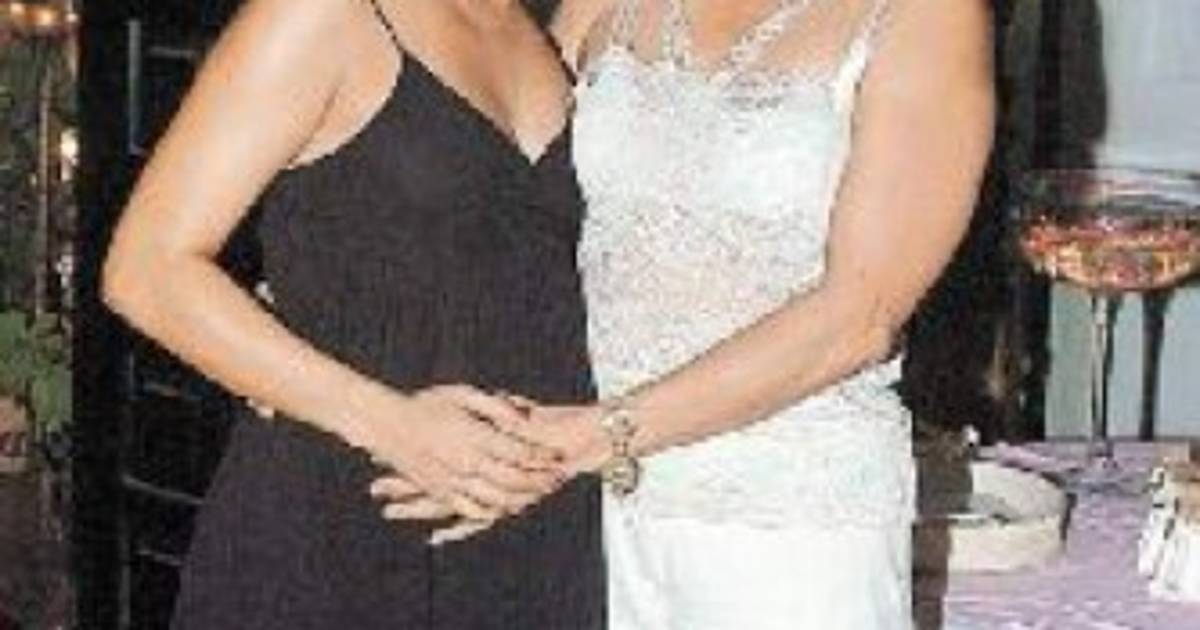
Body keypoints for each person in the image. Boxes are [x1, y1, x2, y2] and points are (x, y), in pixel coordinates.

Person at [379, 0, 994, 628]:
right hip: (586, 512)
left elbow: (858, 318)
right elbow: (498, 191)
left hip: (786, 523)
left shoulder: (924, 16)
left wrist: (590, 437)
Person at [100, 0, 605, 628]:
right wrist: (392, 425)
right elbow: (146, 270)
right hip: (345, 512)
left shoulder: (540, 22)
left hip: (531, 531)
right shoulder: (321, 15)